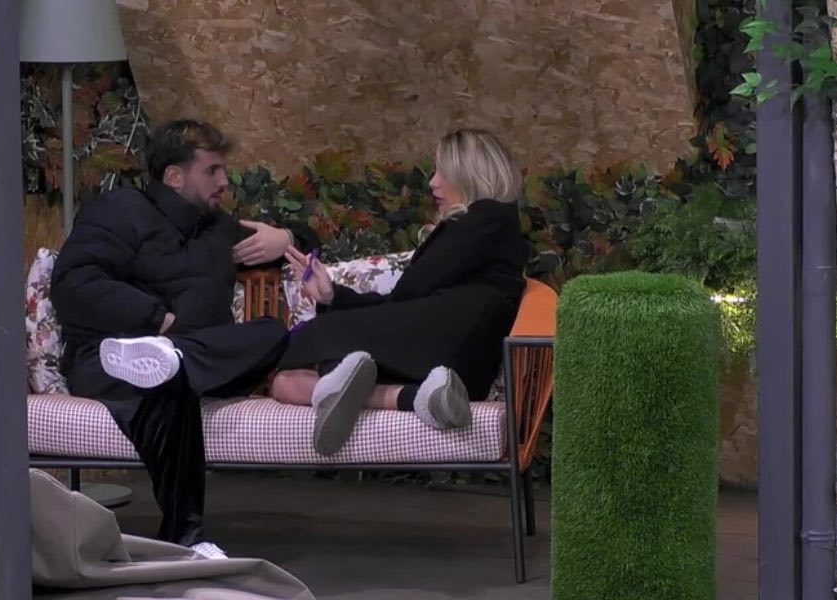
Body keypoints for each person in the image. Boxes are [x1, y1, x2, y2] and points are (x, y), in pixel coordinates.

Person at [49, 119, 314, 558]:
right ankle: (186, 536)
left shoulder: (219, 230)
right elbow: (73, 282)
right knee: (171, 386)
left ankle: (175, 360)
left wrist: (286, 237)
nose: (224, 181)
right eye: (212, 170)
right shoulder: (119, 210)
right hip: (111, 358)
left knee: (269, 333)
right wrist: (156, 319)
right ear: (174, 176)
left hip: (194, 356)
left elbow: (308, 245)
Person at [269, 128, 530, 456]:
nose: (433, 183)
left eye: (442, 172)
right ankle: (412, 397)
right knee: (287, 381)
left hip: (444, 349)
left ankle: (342, 383)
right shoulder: (494, 223)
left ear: (469, 175)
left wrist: (337, 306)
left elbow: (409, 293)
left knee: (309, 346)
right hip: (447, 356)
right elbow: (408, 299)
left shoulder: (486, 218)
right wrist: (332, 296)